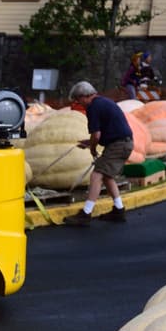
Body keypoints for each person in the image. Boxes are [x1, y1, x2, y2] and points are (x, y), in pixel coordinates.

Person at [62, 81, 132, 227]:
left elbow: (97, 135)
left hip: (118, 145)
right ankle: (118, 210)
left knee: (96, 175)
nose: (78, 103)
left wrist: (92, 148)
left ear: (85, 96)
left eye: (78, 99)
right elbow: (102, 133)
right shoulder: (103, 102)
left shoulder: (93, 107)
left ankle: (86, 214)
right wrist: (89, 142)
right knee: (107, 176)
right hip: (124, 143)